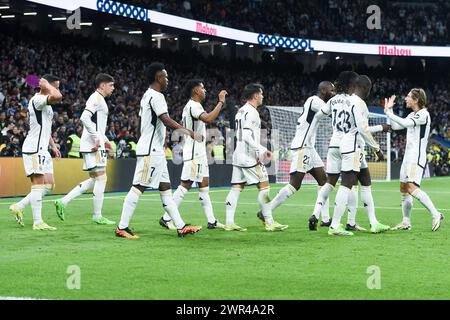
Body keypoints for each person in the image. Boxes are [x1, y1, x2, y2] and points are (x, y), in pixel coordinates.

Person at [115, 62, 203, 238]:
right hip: (151, 150)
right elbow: (165, 119)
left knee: (166, 190)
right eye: (166, 76)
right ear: (158, 77)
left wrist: (147, 141)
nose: (168, 80)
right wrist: (187, 131)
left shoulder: (146, 95)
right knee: (138, 187)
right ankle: (122, 227)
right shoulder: (156, 96)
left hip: (153, 149)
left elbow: (141, 124)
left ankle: (180, 226)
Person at [258, 81, 336, 223]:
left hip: (309, 148)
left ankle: (325, 219)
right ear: (324, 90)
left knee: (324, 181)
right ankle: (266, 210)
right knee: (295, 184)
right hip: (302, 148)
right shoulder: (314, 100)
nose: (334, 93)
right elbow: (332, 112)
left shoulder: (315, 101)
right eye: (332, 90)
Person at [159, 79, 228, 230]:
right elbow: (209, 118)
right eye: (202, 88)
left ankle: (211, 221)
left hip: (199, 152)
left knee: (204, 186)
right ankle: (166, 218)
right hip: (194, 152)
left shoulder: (192, 106)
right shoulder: (193, 106)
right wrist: (221, 102)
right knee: (186, 185)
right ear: (196, 90)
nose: (205, 90)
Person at [326, 74, 386, 236]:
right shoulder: (359, 103)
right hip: (351, 147)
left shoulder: (343, 100)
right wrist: (377, 149)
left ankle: (374, 222)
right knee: (346, 184)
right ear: (365, 88)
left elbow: (327, 112)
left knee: (366, 181)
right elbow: (363, 129)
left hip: (344, 145)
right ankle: (335, 225)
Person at [54, 73, 116, 225]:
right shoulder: (96, 98)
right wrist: (96, 138)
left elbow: (98, 125)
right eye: (111, 85)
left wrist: (104, 139)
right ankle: (97, 215)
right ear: (102, 85)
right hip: (93, 145)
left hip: (95, 143)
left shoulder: (99, 99)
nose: (113, 88)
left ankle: (63, 201)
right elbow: (84, 118)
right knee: (102, 178)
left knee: (95, 178)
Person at [224, 83, 287, 232]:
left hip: (238, 155)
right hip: (248, 157)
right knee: (264, 187)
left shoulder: (241, 111)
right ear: (255, 95)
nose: (263, 96)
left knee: (236, 188)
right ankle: (269, 221)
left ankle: (229, 222)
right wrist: (261, 149)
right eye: (261, 93)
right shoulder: (252, 112)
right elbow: (245, 135)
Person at [384, 90, 444, 231]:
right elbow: (397, 126)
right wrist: (390, 110)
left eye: (409, 96)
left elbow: (404, 123)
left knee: (411, 187)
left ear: (416, 100)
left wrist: (388, 113)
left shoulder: (423, 114)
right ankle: (406, 221)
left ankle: (435, 213)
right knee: (404, 189)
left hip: (416, 156)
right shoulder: (412, 114)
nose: (406, 98)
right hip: (408, 156)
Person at [9, 75, 63, 230]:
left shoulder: (47, 105)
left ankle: (19, 206)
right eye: (55, 86)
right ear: (46, 86)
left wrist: (53, 146)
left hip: (43, 148)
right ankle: (38, 222)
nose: (57, 89)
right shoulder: (38, 100)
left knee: (49, 185)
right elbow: (58, 96)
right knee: (38, 184)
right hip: (34, 148)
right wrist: (47, 85)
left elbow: (46, 128)